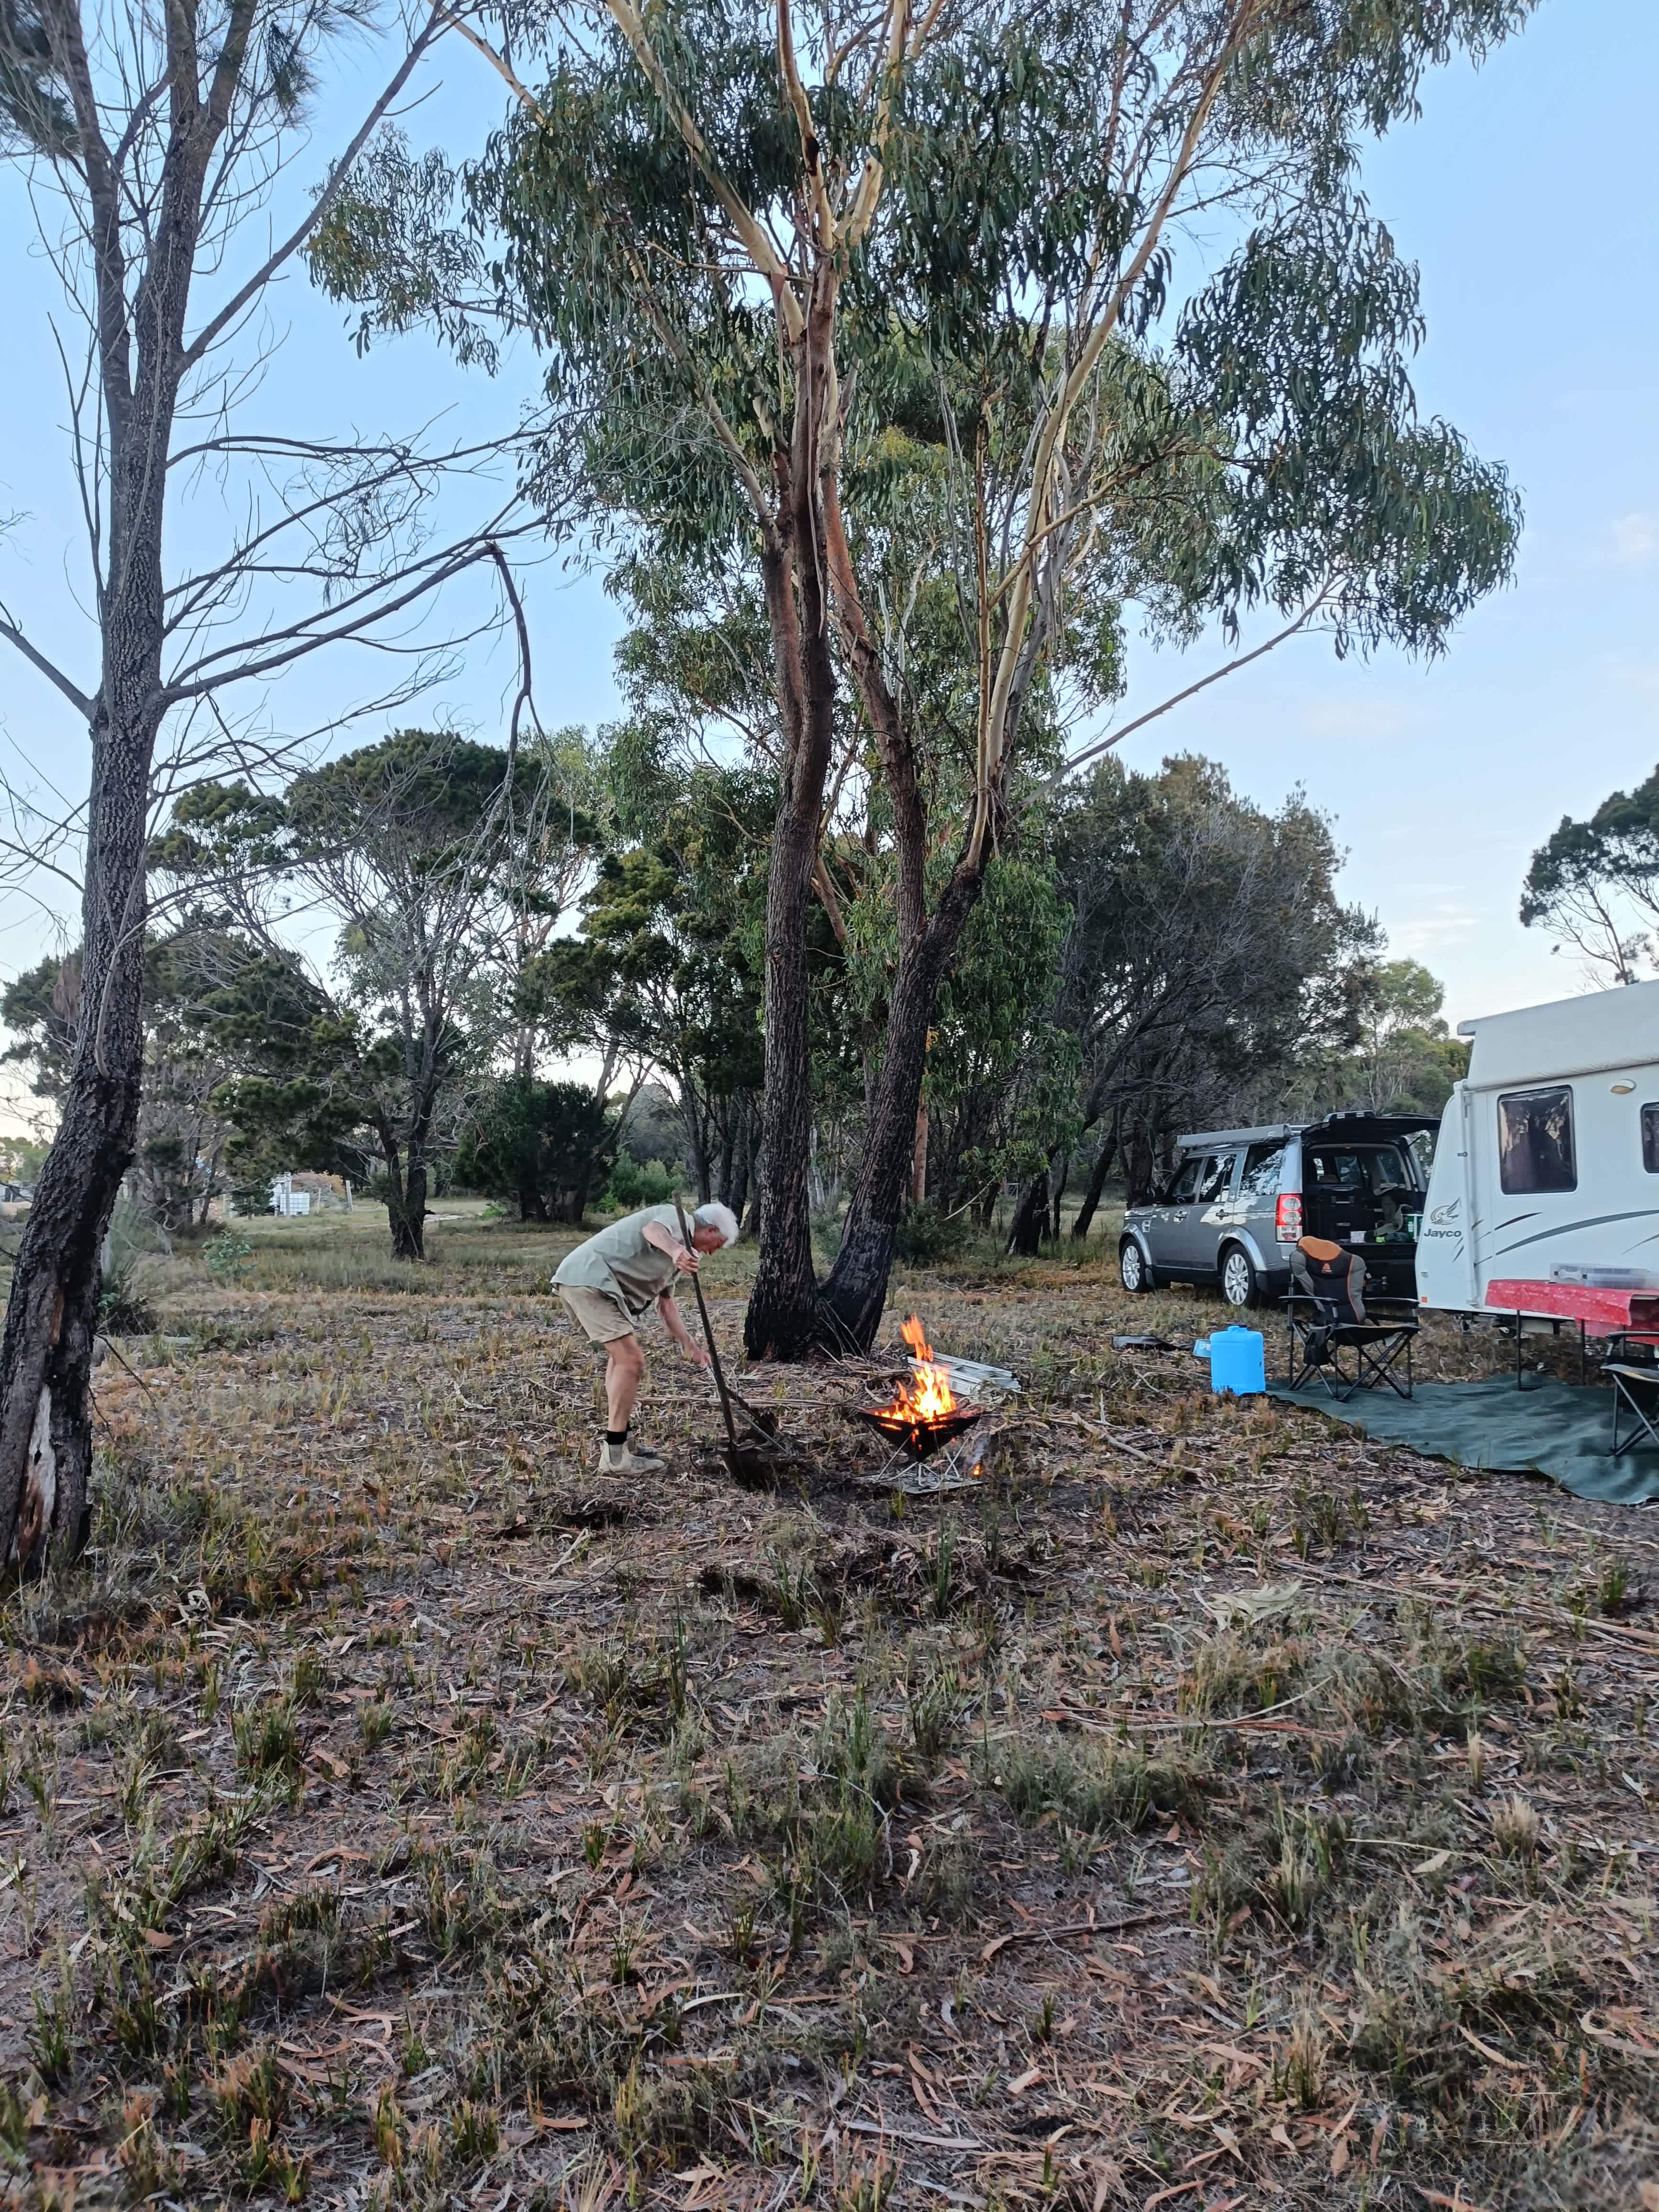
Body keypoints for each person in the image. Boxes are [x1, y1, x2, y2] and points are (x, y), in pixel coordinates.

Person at [553, 1199, 740, 1472]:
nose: (713, 1252)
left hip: (595, 1285)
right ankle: (616, 1459)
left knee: (620, 1362)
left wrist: (692, 1348)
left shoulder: (680, 1258)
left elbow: (666, 1307)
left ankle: (622, 1443)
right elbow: (652, 1231)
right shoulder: (678, 1219)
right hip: (590, 1280)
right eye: (718, 1245)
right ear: (711, 1230)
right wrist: (677, 1251)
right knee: (631, 1361)